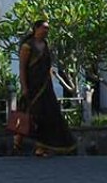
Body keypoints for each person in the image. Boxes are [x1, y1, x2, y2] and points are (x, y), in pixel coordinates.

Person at [16, 20, 76, 157]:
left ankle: (40, 147)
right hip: (32, 86)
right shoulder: (27, 46)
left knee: (48, 116)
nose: (46, 31)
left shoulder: (45, 45)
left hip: (45, 87)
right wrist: (24, 87)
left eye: (48, 29)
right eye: (44, 28)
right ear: (36, 28)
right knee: (32, 114)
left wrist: (51, 80)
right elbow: (22, 69)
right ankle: (18, 139)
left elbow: (48, 66)